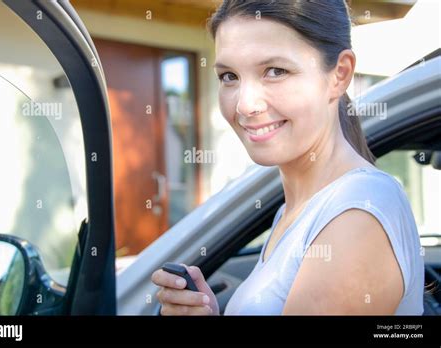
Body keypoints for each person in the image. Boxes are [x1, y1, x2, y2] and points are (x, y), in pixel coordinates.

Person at [151, 0, 424, 315]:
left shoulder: (358, 212)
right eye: (229, 76)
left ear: (339, 74)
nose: (245, 104)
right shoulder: (292, 212)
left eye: (275, 71)